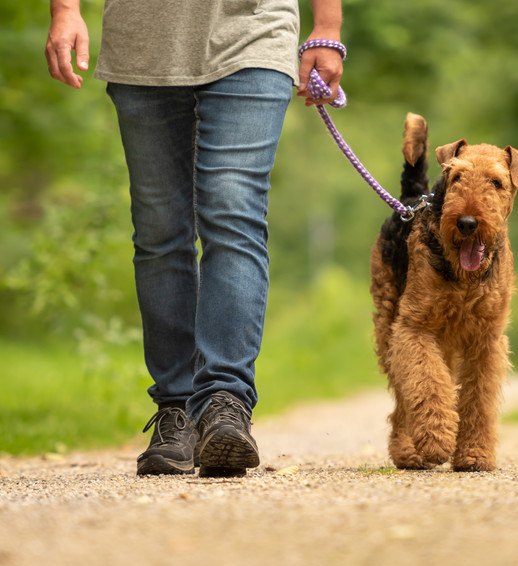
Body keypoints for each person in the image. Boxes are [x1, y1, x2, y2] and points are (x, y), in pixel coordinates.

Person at [45, 0, 344, 477]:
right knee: (160, 230)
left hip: (254, 31)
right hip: (142, 46)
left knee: (232, 212)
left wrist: (326, 28)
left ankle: (225, 401)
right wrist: (65, 10)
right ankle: (177, 408)